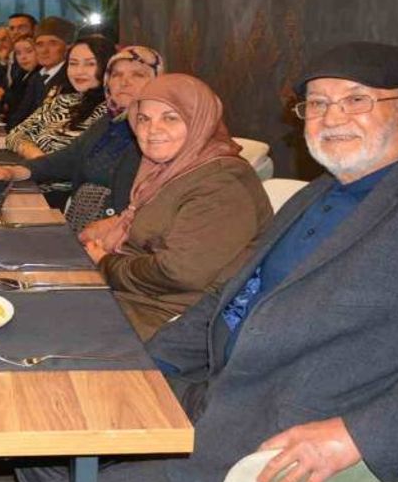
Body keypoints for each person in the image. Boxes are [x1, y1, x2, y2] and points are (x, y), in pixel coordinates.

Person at [9, 42, 398, 482]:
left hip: (271, 446)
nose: (332, 117)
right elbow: (226, 300)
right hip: (212, 391)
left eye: (357, 100)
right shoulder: (319, 193)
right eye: (317, 103)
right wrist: (142, 369)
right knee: (44, 434)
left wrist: (353, 436)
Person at [77, 72, 272, 339]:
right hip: (134, 299)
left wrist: (107, 264)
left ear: (200, 121)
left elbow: (179, 273)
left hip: (170, 322)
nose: (152, 129)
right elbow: (159, 220)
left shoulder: (222, 184)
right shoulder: (170, 168)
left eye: (170, 118)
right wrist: (114, 225)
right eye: (144, 119)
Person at [0, 45, 165, 231]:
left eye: (138, 75)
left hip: (116, 234)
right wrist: (14, 172)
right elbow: (68, 158)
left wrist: (111, 231)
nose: (124, 82)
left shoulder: (158, 134)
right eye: (116, 75)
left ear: (158, 81)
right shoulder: (109, 121)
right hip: (82, 223)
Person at [6, 35, 116, 159]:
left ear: (108, 67)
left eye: (90, 64)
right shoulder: (63, 100)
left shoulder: (112, 111)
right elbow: (14, 135)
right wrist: (37, 156)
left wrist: (43, 162)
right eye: (73, 63)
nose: (79, 71)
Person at [5, 16, 75, 129]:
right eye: (39, 44)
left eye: (53, 43)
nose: (44, 50)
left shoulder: (69, 80)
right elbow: (20, 115)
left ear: (68, 47)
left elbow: (50, 126)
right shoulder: (37, 77)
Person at [0, 33, 40, 120]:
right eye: (18, 53)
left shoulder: (38, 77)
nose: (23, 57)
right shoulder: (21, 74)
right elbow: (8, 101)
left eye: (29, 51)